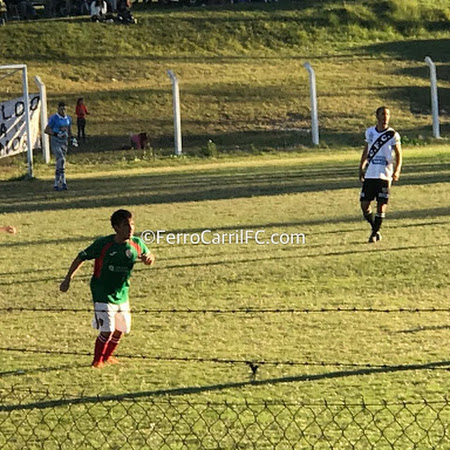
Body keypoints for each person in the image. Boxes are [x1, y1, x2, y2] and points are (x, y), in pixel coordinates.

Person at [59, 209, 155, 368]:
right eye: (125, 225)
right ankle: (97, 361)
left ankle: (107, 357)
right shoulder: (104, 244)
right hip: (102, 293)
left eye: (132, 224)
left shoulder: (136, 243)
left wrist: (149, 259)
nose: (130, 228)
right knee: (107, 330)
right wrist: (68, 278)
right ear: (116, 227)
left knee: (120, 330)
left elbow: (149, 256)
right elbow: (81, 257)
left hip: (122, 293)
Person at [359, 106, 402, 243]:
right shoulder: (370, 132)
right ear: (377, 116)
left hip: (385, 175)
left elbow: (399, 154)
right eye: (383, 114)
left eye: (387, 114)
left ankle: (374, 234)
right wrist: (361, 167)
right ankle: (375, 228)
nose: (385, 117)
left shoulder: (393, 134)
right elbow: (366, 150)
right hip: (371, 174)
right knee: (364, 204)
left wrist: (397, 170)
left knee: (381, 205)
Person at [45, 102, 77, 191]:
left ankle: (59, 182)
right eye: (61, 109)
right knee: (61, 159)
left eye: (64, 109)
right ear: (58, 109)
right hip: (56, 141)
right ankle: (61, 182)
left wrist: (72, 139)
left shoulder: (68, 119)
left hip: (64, 142)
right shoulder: (54, 118)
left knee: (61, 162)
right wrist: (56, 134)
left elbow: (69, 130)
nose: (63, 111)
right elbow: (46, 130)